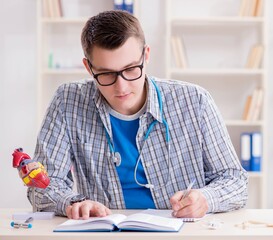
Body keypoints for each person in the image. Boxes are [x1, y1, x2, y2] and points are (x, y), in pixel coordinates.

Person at [28, 10, 248, 220]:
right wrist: (74, 203)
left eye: (132, 69)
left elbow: (235, 181)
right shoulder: (68, 101)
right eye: (106, 74)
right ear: (88, 68)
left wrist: (206, 200)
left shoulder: (194, 101)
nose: (121, 87)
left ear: (146, 55)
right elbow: (41, 186)